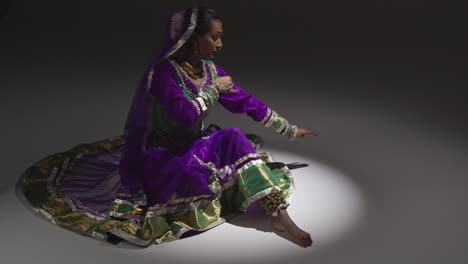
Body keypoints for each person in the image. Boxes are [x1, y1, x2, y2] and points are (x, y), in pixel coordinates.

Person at [18, 5, 317, 248]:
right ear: (192, 37)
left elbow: (245, 102)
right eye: (214, 37)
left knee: (236, 138)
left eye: (220, 37)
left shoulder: (211, 70)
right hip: (165, 155)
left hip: (197, 143)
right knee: (191, 177)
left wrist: (289, 129)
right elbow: (185, 114)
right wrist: (213, 90)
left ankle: (281, 218)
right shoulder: (165, 73)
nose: (220, 44)